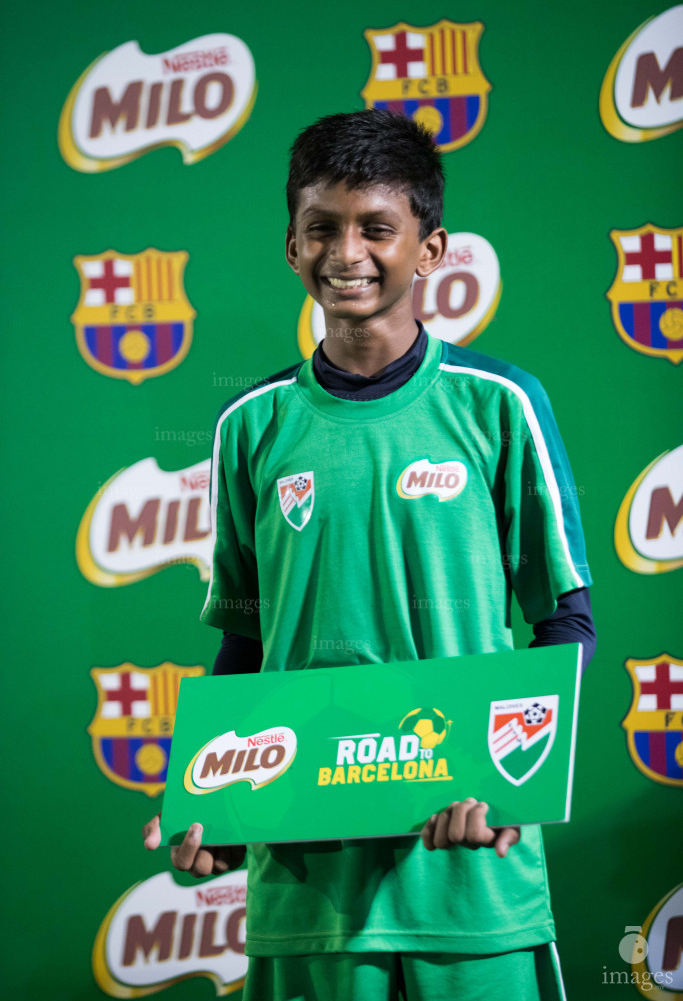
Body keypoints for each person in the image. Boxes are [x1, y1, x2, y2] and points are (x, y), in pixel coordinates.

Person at [144, 109, 596, 1000]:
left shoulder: (499, 405)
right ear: (290, 245)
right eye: (322, 228)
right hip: (309, 884)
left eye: (376, 229)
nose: (346, 252)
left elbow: (564, 620)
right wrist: (215, 799)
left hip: (468, 872)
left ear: (430, 250)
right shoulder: (251, 425)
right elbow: (244, 642)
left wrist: (510, 782)